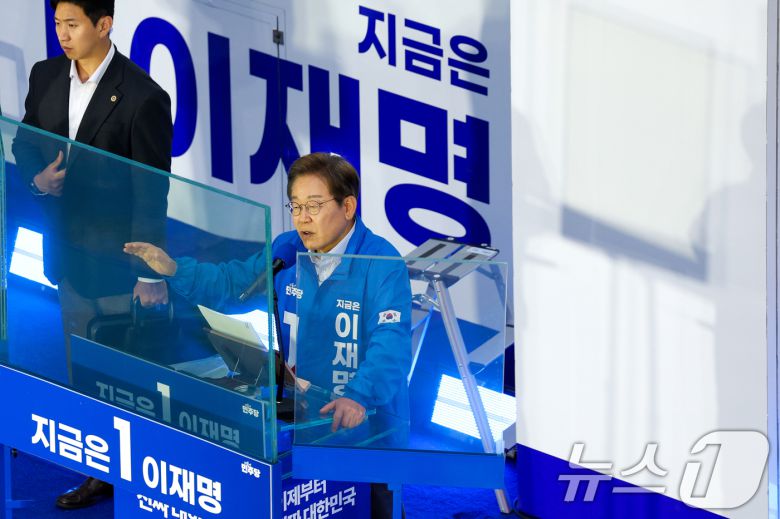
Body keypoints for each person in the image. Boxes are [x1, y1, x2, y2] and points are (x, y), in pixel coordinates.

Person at [125, 152, 411, 519]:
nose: (302, 218)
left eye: (314, 206)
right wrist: (175, 269)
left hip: (364, 430)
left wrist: (358, 395)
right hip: (304, 418)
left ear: (348, 206)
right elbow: (233, 282)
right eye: (295, 206)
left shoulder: (382, 264)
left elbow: (391, 345)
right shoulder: (287, 250)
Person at [11, 0, 171, 509]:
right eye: (58, 23)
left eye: (73, 24)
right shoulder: (45, 75)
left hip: (119, 264)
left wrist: (149, 273)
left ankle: (140, 474)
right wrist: (37, 180)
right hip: (67, 253)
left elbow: (152, 192)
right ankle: (99, 470)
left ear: (104, 25)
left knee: (125, 376)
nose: (62, 33)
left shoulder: (144, 97)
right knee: (81, 367)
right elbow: (25, 142)